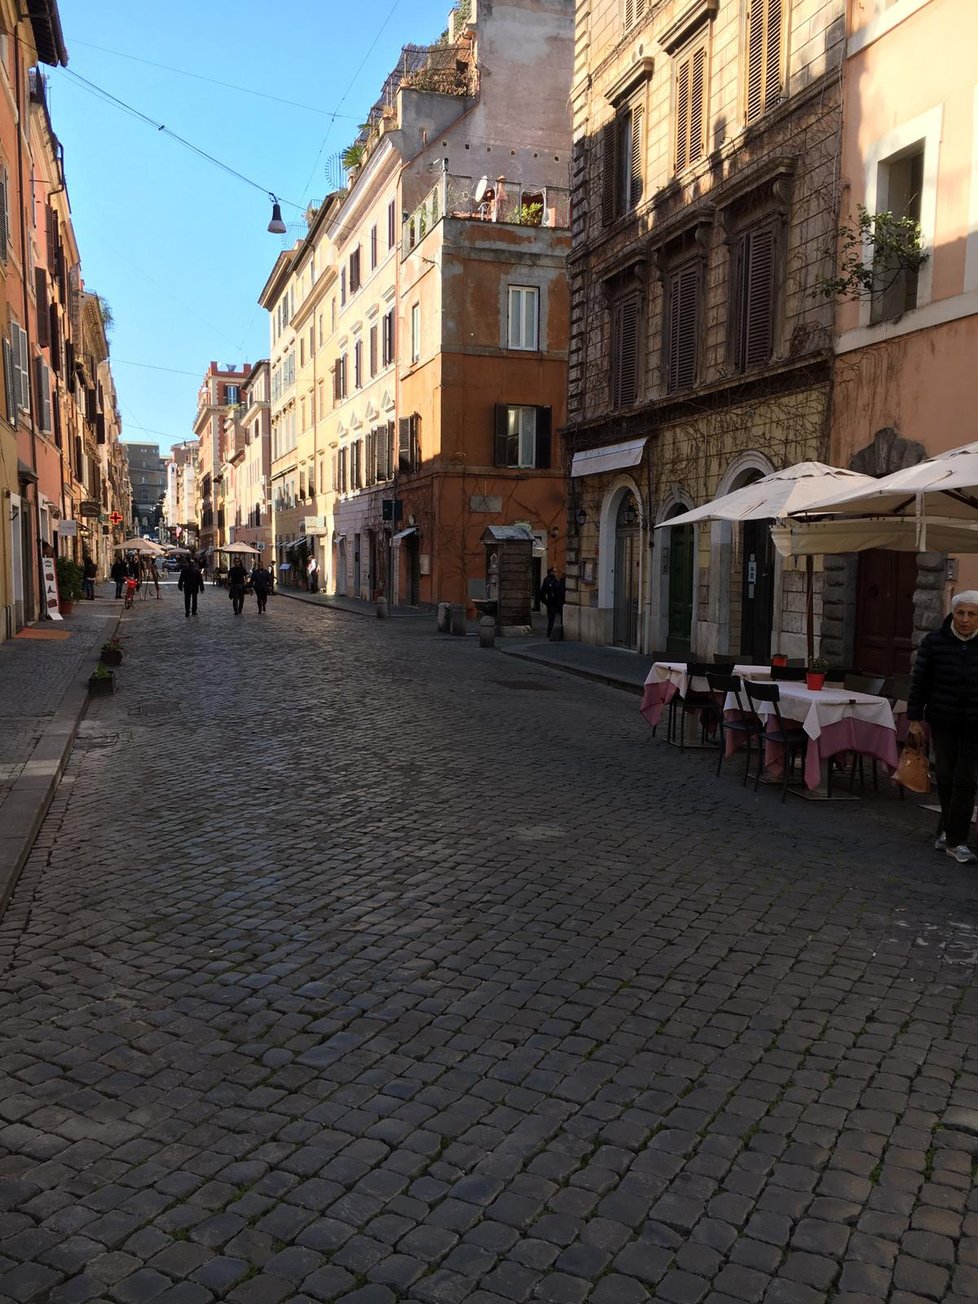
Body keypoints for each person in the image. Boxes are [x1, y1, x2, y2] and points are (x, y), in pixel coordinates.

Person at [907, 591, 978, 864]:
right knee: (946, 777)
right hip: (943, 721)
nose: (965, 619)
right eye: (961, 613)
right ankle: (948, 834)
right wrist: (914, 719)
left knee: (966, 780)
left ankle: (956, 841)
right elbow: (919, 683)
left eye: (972, 614)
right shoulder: (934, 642)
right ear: (953, 614)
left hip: (974, 724)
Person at [539, 566, 565, 638]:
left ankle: (550, 632)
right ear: (551, 572)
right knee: (552, 619)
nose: (556, 573)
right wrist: (546, 602)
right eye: (555, 571)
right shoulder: (549, 580)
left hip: (554, 602)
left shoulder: (554, 580)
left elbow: (542, 593)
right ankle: (551, 633)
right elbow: (543, 593)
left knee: (552, 619)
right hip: (554, 602)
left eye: (556, 571)